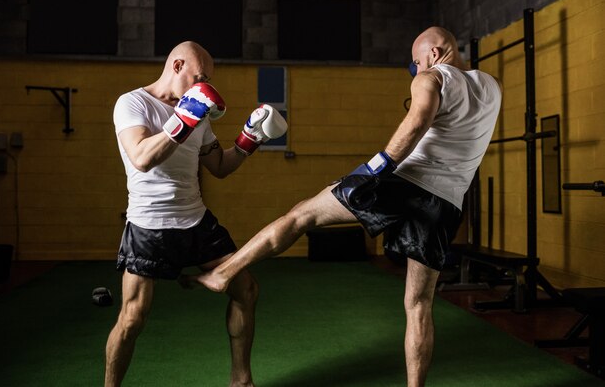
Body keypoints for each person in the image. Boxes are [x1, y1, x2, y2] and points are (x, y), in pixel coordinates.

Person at [191, 27, 502, 387]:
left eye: (416, 61)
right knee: (418, 306)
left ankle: (223, 274)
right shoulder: (491, 87)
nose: (415, 70)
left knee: (301, 214)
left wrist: (374, 169)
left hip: (402, 183)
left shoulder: (431, 77)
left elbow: (417, 123)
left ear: (434, 53)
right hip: (447, 202)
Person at [105, 41, 287, 387]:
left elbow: (218, 166)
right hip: (149, 226)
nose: (205, 86)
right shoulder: (133, 104)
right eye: (199, 77)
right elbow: (142, 158)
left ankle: (241, 380)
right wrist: (184, 118)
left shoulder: (197, 112)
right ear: (176, 66)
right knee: (132, 318)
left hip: (195, 220)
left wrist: (250, 139)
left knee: (246, 289)